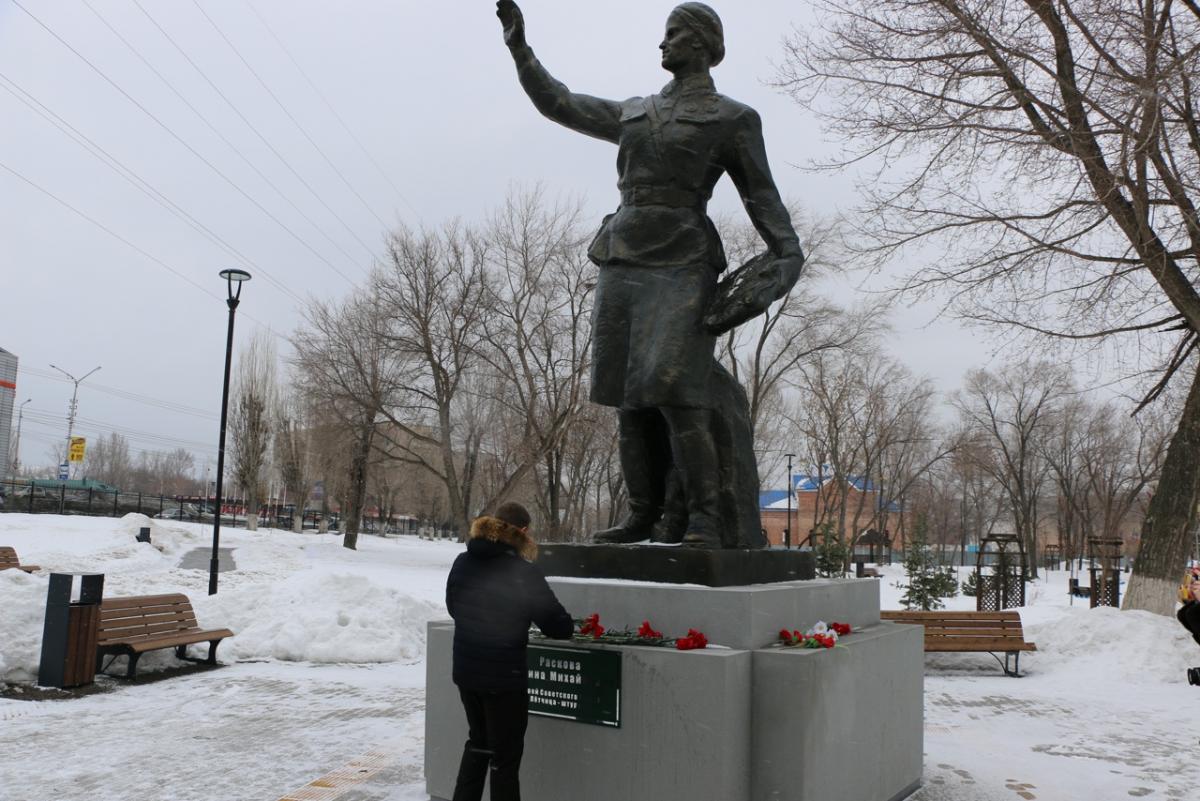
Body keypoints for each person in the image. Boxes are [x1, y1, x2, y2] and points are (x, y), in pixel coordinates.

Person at [496, 1, 805, 547]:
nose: (662, 45)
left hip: (684, 259)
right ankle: (644, 513)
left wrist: (786, 252)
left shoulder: (733, 118)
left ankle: (706, 518)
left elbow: (760, 194)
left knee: (675, 387)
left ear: (704, 44)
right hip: (623, 254)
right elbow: (559, 103)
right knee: (628, 393)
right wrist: (520, 48)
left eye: (673, 35)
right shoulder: (635, 112)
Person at [445, 501, 574, 801]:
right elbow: (558, 626)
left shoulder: (462, 561)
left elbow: (454, 608)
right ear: (523, 532)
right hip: (504, 680)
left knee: (478, 744)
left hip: (467, 674)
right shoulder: (522, 572)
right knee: (504, 758)